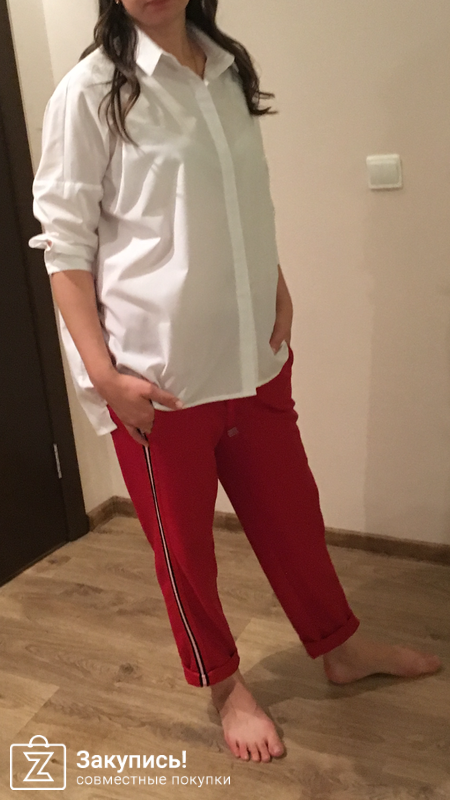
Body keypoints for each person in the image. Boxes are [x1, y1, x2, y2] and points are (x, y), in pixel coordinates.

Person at [29, 0, 442, 765]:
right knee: (185, 548)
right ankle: (223, 685)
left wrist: (275, 282)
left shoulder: (226, 68)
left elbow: (237, 197)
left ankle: (339, 645)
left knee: (293, 514)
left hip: (253, 358)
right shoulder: (91, 91)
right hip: (157, 378)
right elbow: (65, 246)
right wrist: (104, 375)